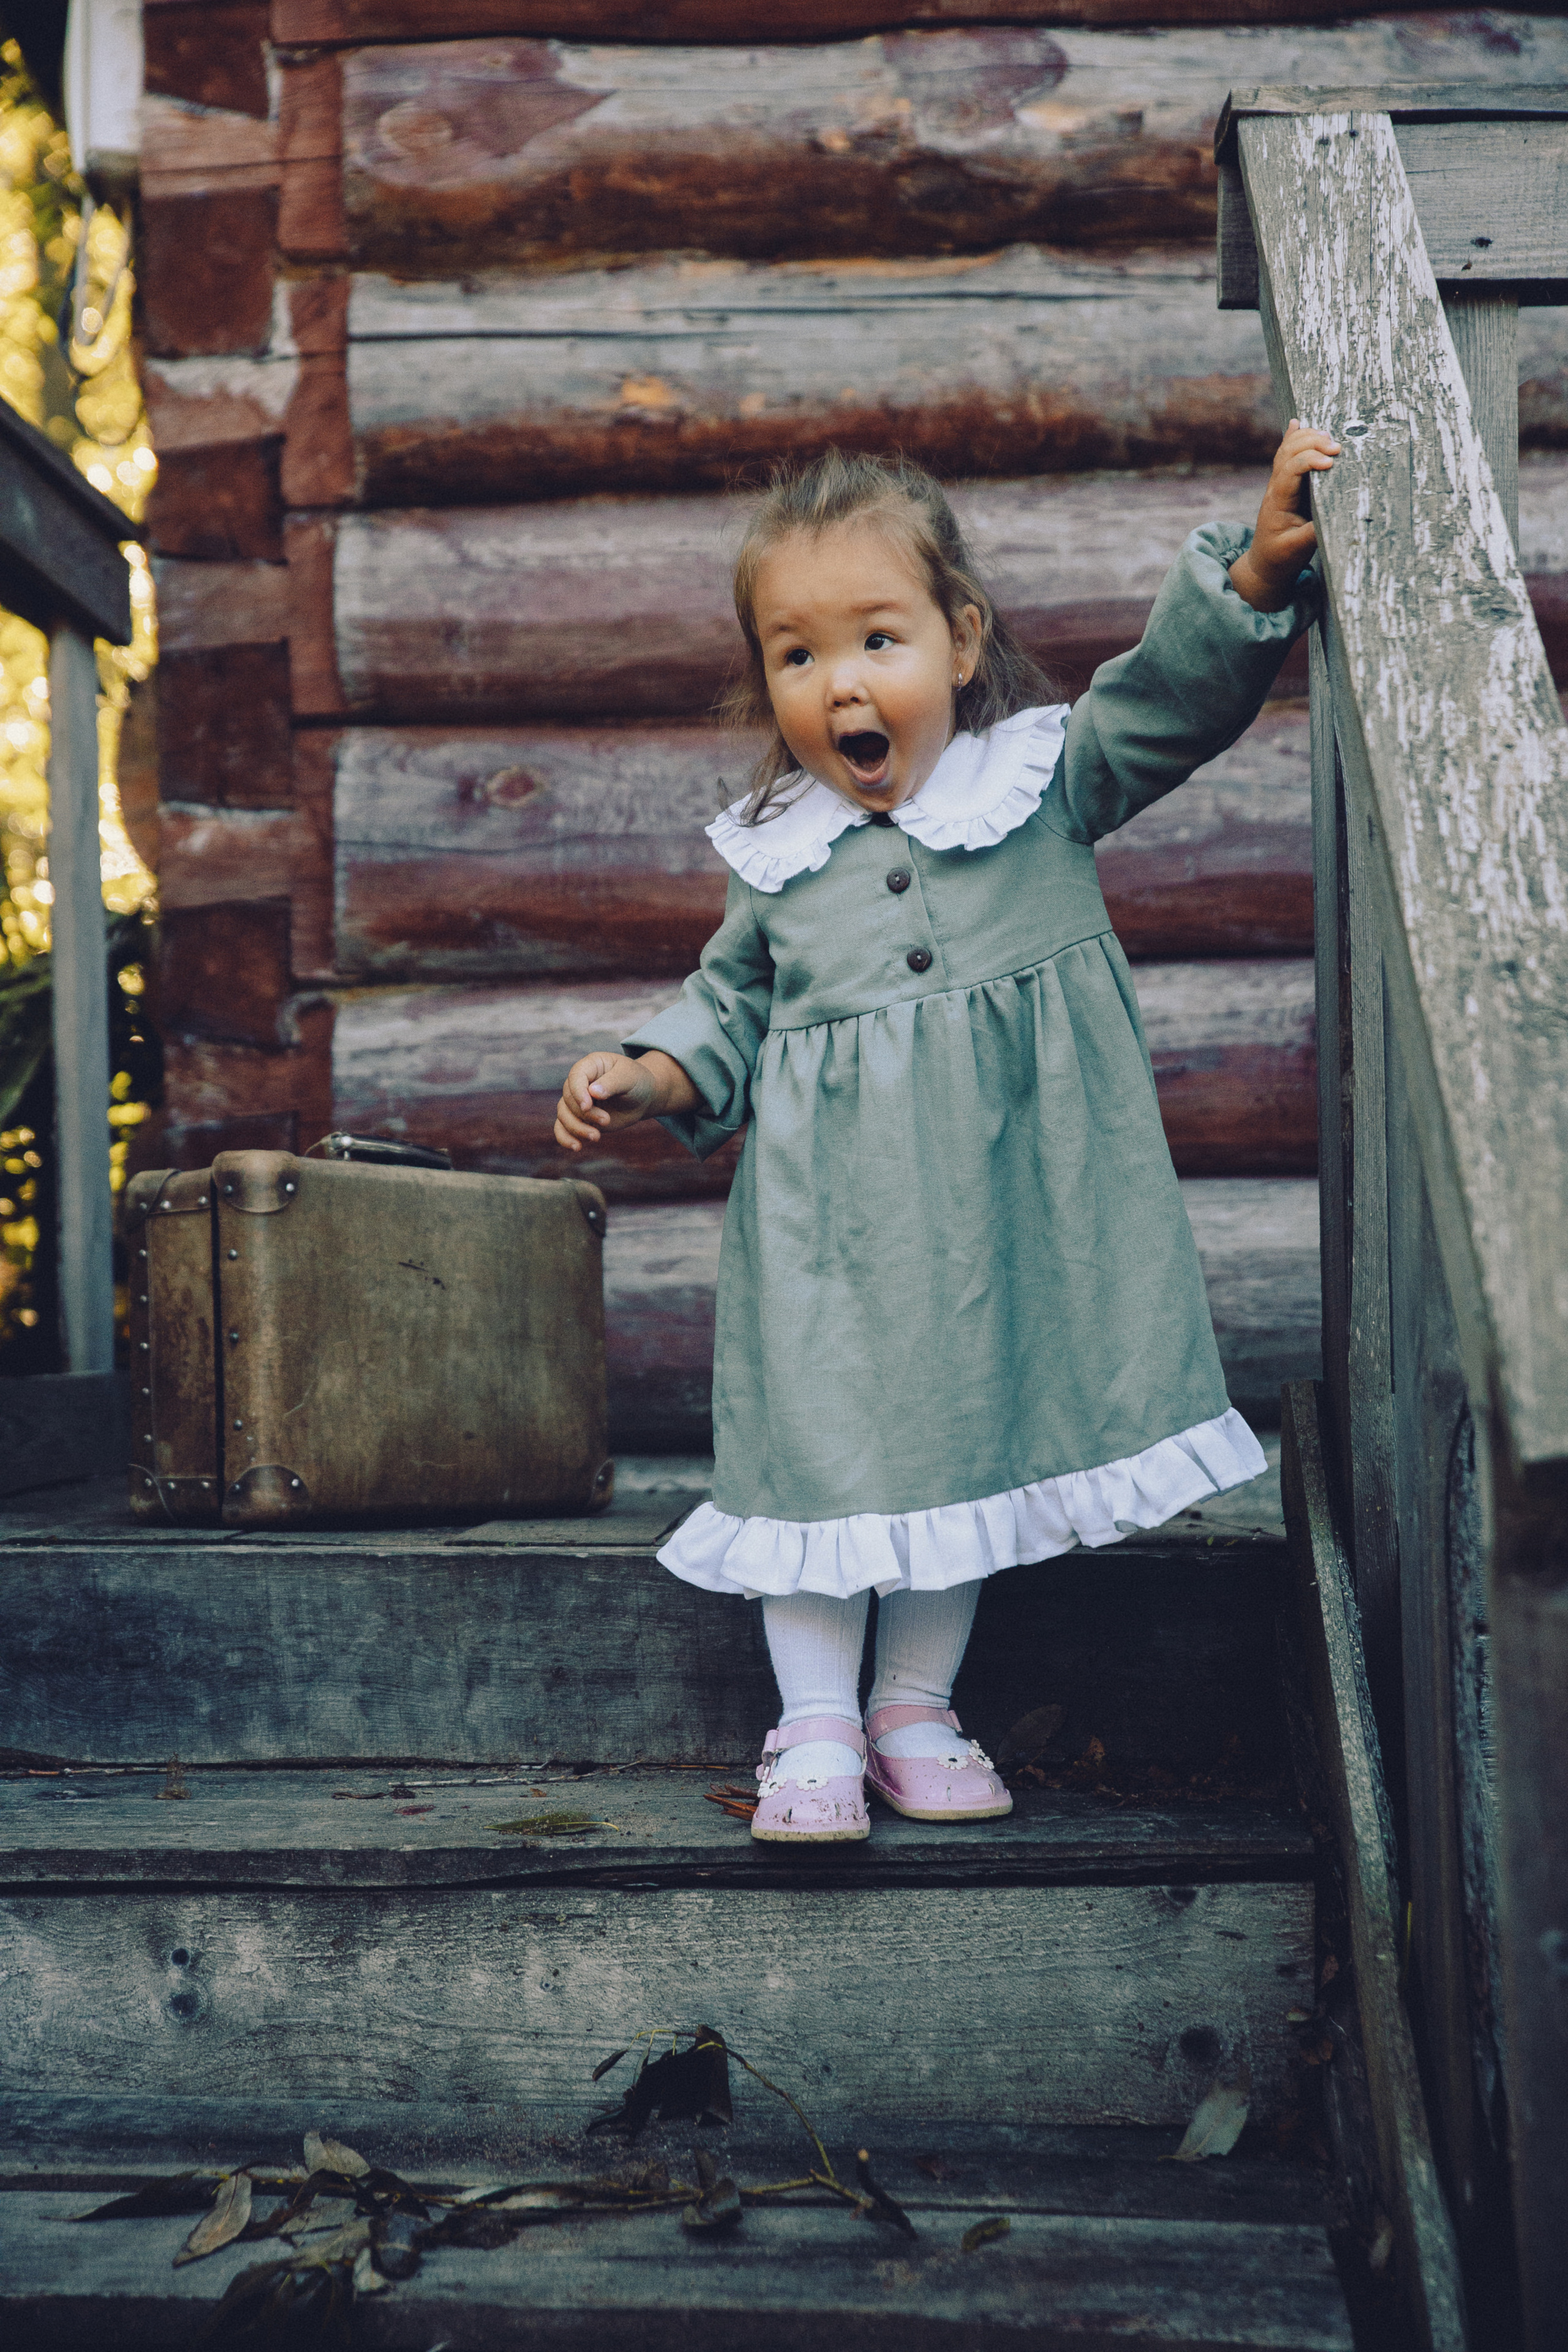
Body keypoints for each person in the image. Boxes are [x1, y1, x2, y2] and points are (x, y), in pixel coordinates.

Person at [555, 428, 1336, 1844]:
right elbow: (725, 1008)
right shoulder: (779, 856)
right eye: (796, 657)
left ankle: (911, 1703)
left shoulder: (1040, 786)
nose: (838, 681)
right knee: (817, 1458)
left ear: (960, 639)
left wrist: (1255, 565)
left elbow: (1167, 700)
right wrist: (647, 1070)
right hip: (828, 1235)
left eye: (875, 638)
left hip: (994, 1218)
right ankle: (812, 1724)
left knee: (957, 1440)